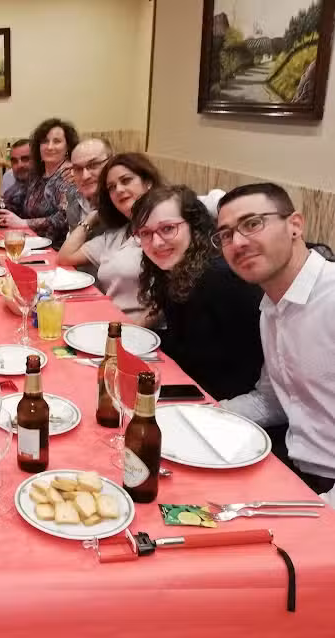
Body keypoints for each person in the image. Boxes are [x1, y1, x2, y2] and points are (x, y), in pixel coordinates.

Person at [217, 183, 335, 499]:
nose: (238, 242)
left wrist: (322, 510)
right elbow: (272, 400)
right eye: (226, 234)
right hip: (296, 469)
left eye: (252, 223)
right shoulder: (271, 307)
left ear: (295, 225)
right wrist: (207, 414)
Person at [130, 185, 263, 400]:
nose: (156, 242)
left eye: (168, 228)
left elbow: (245, 371)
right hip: (190, 385)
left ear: (194, 226)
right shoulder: (172, 270)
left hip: (226, 402)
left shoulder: (221, 278)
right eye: (145, 233)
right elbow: (184, 344)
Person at [57, 152, 165, 323]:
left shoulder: (164, 233)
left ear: (148, 183)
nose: (119, 190)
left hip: (139, 331)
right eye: (112, 187)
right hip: (106, 322)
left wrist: (132, 330)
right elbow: (65, 257)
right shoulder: (117, 235)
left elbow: (167, 299)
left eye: (126, 180)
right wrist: (91, 219)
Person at [0, 118, 80, 249]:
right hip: (31, 244)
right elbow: (15, 199)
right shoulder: (37, 174)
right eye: (45, 141)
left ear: (68, 147)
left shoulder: (69, 175)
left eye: (57, 141)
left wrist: (24, 223)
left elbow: (64, 219)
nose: (50, 147)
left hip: (58, 250)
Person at [0, 138, 31, 202]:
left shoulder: (47, 187)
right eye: (14, 161)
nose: (19, 165)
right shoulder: (9, 177)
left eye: (25, 159)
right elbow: (6, 202)